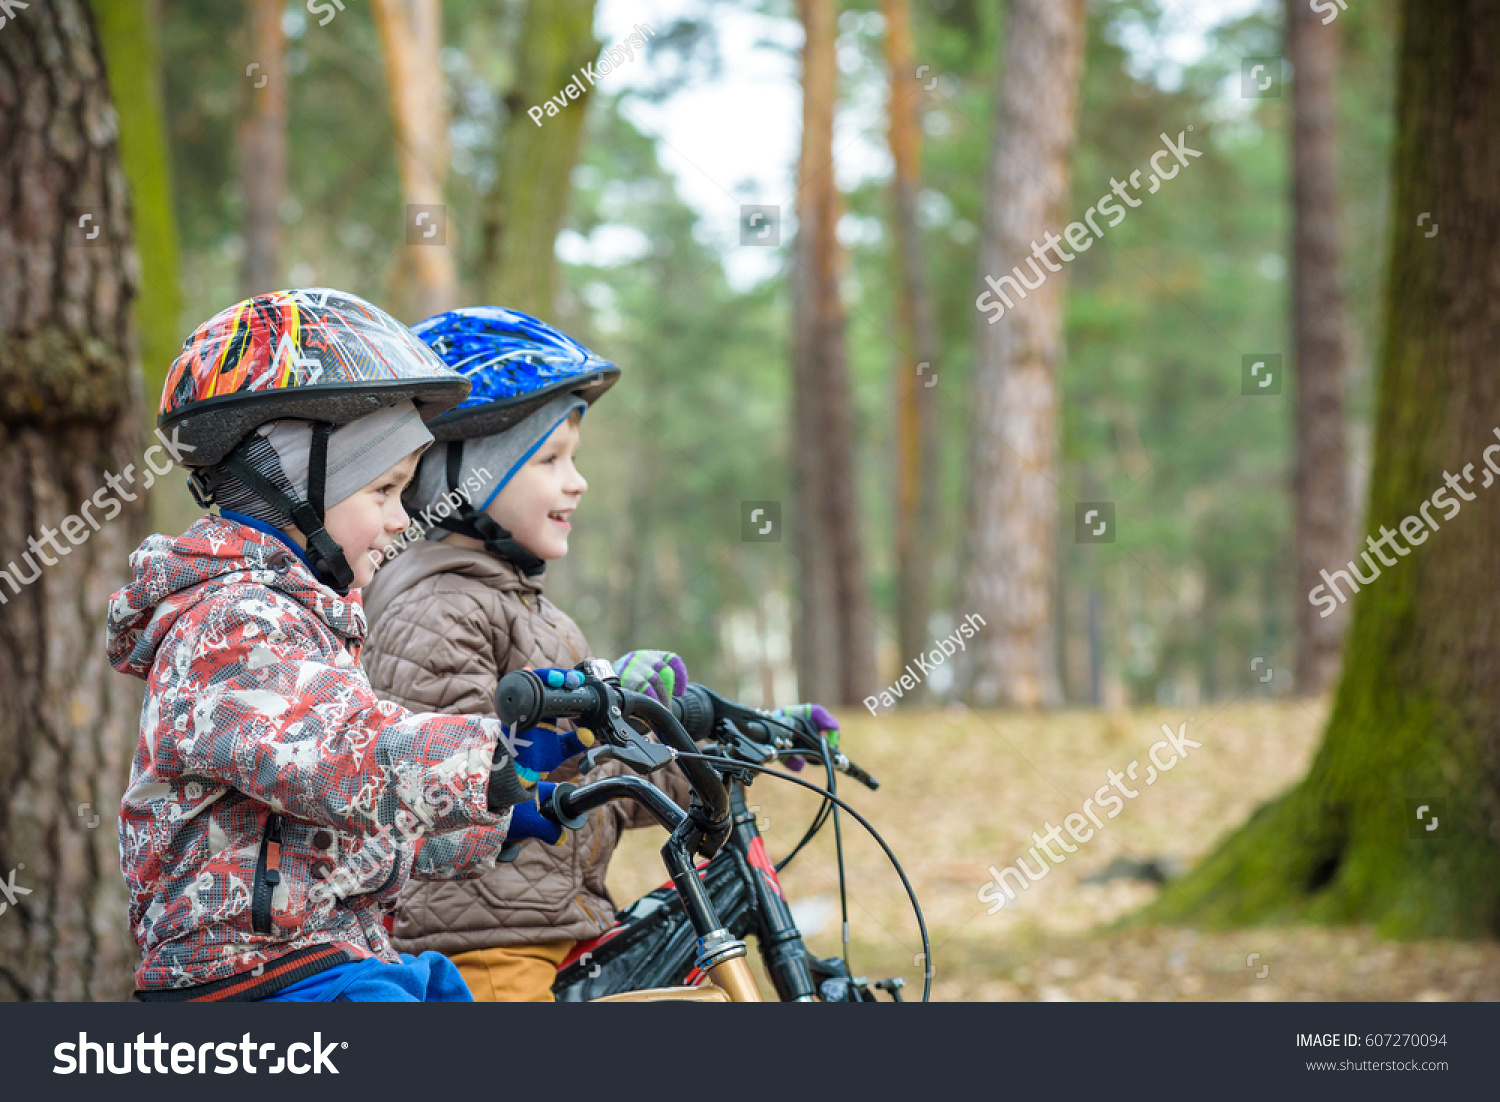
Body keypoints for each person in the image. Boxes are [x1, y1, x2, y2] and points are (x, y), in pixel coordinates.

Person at [105, 289, 587, 1002]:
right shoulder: (230, 621)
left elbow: (343, 837)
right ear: (295, 487)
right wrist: (494, 760)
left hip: (335, 956)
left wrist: (501, 820)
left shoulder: (308, 621)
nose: (402, 519)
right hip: (244, 979)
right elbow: (342, 757)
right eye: (385, 491)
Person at [360, 306, 694, 1001]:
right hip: (483, 948)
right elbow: (459, 784)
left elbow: (599, 791)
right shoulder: (436, 609)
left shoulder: (539, 616)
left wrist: (700, 748)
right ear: (466, 477)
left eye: (573, 458)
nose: (577, 481)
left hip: (550, 928)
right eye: (549, 460)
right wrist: (579, 730)